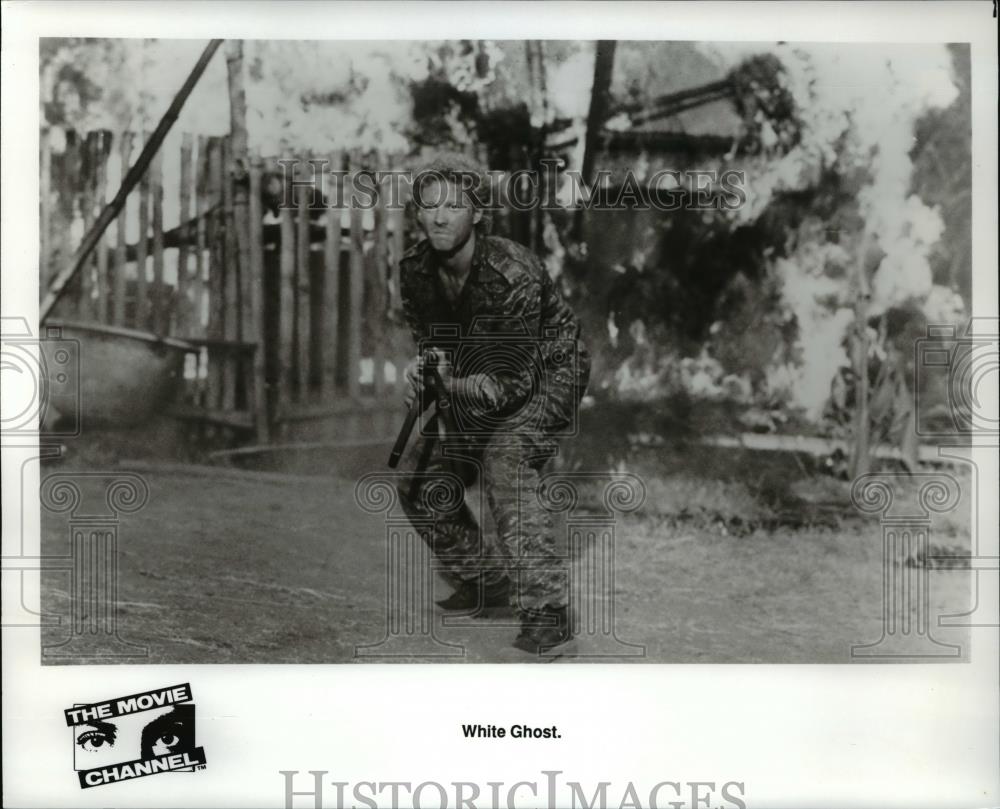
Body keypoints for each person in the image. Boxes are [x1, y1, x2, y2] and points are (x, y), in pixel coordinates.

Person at [395, 152, 591, 654]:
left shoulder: (512, 273)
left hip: (548, 372)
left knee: (505, 457)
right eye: (429, 205)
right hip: (474, 375)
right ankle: (487, 581)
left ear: (478, 213)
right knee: (418, 475)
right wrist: (423, 371)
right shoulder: (415, 270)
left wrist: (448, 383)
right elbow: (435, 345)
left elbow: (510, 388)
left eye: (453, 206)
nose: (439, 218)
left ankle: (548, 612)